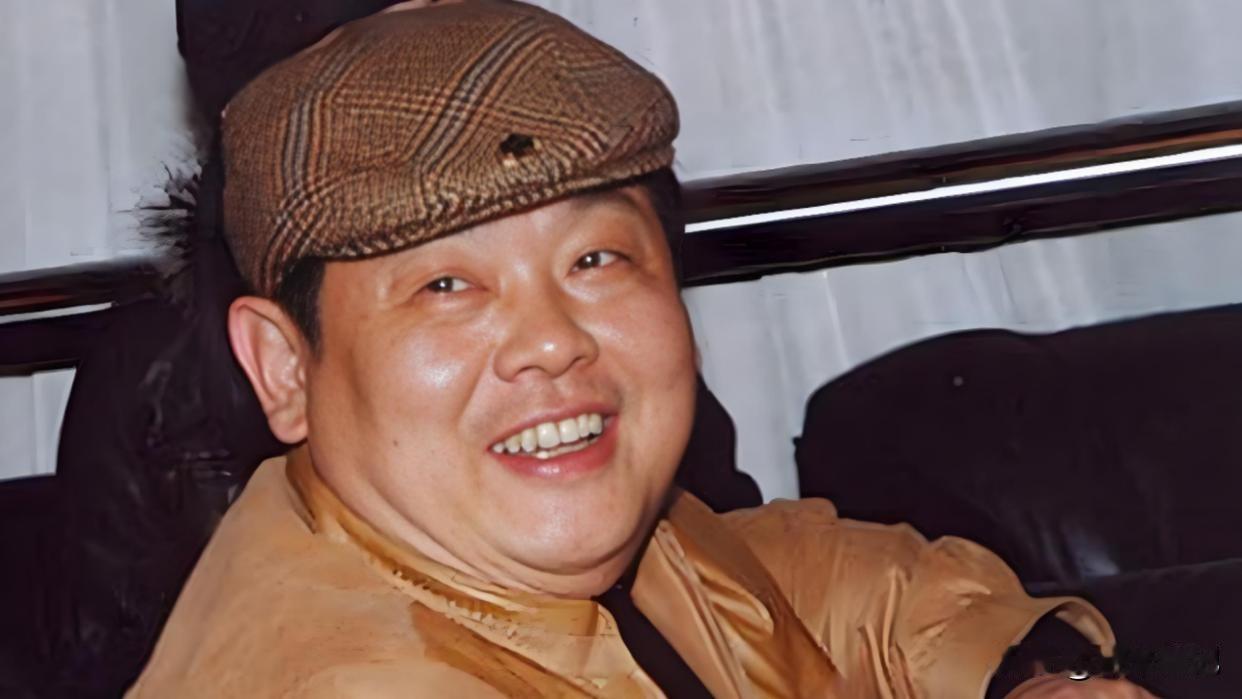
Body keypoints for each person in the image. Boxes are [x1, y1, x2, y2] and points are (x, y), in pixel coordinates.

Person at [130, 1, 1155, 696]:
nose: (550, 340)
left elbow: (785, 578)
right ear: (284, 367)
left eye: (596, 259)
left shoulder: (511, 541)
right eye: (447, 285)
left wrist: (1028, 672)